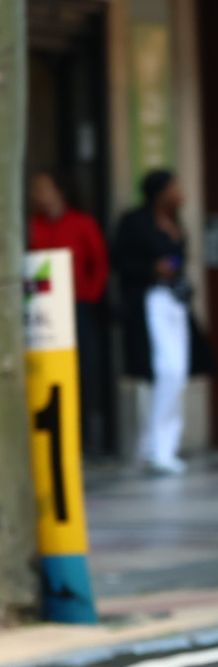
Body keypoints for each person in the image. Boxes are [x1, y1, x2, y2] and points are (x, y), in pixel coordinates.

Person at [112, 169, 213, 475]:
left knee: (177, 372)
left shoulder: (176, 222)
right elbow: (120, 261)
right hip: (148, 301)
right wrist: (152, 269)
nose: (180, 193)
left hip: (175, 302)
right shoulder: (135, 222)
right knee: (163, 372)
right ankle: (155, 447)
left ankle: (163, 445)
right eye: (174, 187)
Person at [28, 171, 113, 457]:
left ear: (59, 191)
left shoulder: (82, 223)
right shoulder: (33, 226)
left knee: (83, 369)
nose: (38, 195)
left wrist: (87, 295)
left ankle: (84, 435)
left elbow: (99, 264)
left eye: (43, 188)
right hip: (42, 309)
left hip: (77, 305)